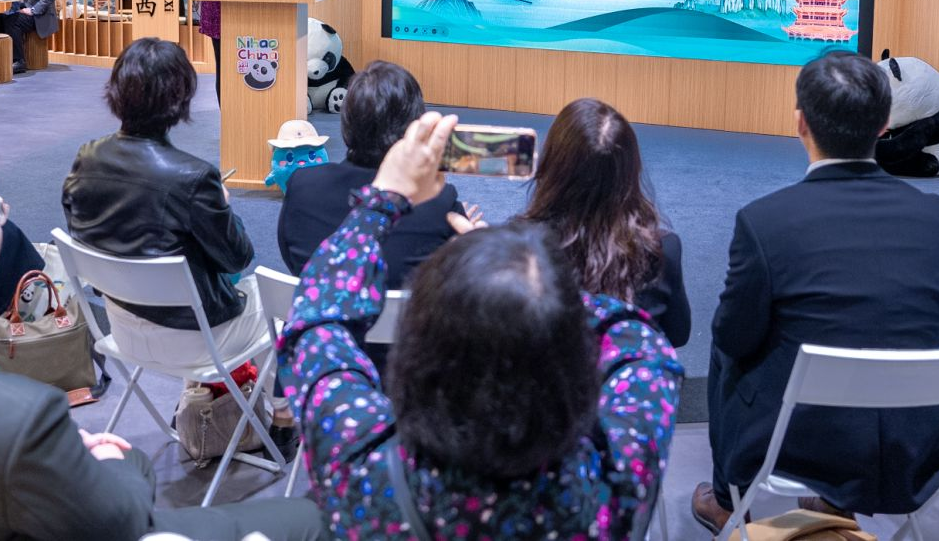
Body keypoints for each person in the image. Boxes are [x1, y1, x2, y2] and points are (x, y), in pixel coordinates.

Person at [0, 135, 327, 541]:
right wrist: (119, 460)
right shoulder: (20, 417)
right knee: (308, 520)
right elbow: (123, 520)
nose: (2, 221)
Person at [279, 111, 682, 540]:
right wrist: (529, 287)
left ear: (417, 361)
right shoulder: (613, 491)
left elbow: (318, 316)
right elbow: (645, 347)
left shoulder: (359, 471)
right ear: (575, 378)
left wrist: (385, 198)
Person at [691, 51, 939, 531]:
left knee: (725, 344)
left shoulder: (765, 222)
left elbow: (735, 338)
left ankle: (727, 498)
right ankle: (837, 501)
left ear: (801, 123)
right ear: (884, 125)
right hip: (909, 445)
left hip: (795, 442)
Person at [63, 38, 264, 372]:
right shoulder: (194, 177)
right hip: (197, 341)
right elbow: (237, 258)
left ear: (115, 90)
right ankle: (271, 403)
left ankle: (201, 397)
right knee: (282, 300)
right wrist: (224, 206)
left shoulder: (86, 157)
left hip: (121, 328)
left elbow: (82, 233)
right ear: (181, 97)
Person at [513, 98, 691, 348]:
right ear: (631, 169)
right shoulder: (661, 248)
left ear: (552, 164)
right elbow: (678, 334)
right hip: (623, 372)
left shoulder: (517, 242)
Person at [278, 61, 462, 289]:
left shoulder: (303, 184)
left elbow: (292, 259)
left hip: (314, 307)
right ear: (414, 126)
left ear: (346, 121)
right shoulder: (439, 199)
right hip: (408, 313)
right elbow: (452, 276)